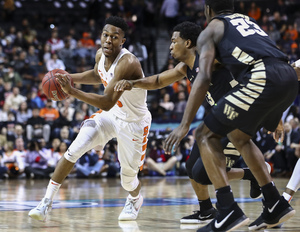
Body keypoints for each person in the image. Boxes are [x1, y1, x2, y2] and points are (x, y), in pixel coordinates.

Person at [115, 21, 268, 224]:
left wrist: (272, 116)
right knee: (190, 167)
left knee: (203, 174)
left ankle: (253, 174)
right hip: (217, 122)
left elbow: (249, 69)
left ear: (188, 43)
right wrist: (132, 83)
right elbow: (158, 81)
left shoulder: (213, 59)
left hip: (236, 121)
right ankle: (206, 210)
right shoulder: (185, 68)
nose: (170, 46)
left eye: (173, 41)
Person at [164, 1, 297, 231]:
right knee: (239, 136)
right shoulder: (247, 21)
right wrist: (274, 115)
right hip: (287, 75)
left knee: (204, 134)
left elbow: (203, 77)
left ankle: (227, 211)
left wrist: (184, 124)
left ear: (208, 10)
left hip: (261, 76)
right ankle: (275, 203)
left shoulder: (211, 29)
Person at [28, 16, 151, 222]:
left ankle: (135, 199)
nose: (108, 40)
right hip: (111, 117)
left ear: (123, 41)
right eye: (105, 35)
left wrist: (72, 91)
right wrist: (68, 76)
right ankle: (46, 202)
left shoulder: (127, 63)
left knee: (128, 179)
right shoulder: (100, 55)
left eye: (115, 37)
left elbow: (106, 102)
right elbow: (97, 75)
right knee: (74, 149)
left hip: (133, 123)